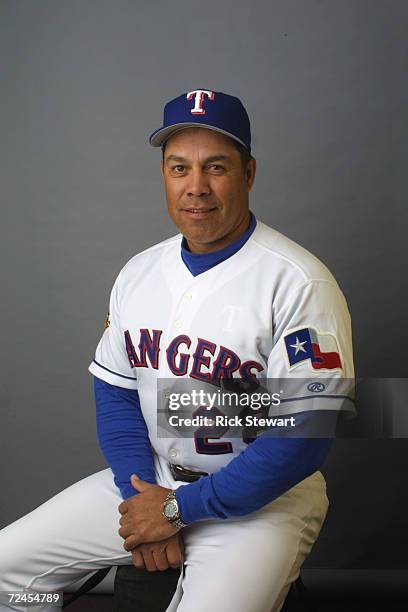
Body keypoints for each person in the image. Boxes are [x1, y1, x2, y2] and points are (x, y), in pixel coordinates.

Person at [0, 89, 354, 612]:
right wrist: (143, 499)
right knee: (9, 580)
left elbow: (302, 437)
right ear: (163, 175)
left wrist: (175, 513)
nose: (196, 188)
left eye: (216, 167)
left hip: (259, 504)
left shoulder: (299, 282)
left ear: (249, 174)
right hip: (152, 481)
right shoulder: (139, 272)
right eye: (178, 168)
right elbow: (116, 393)